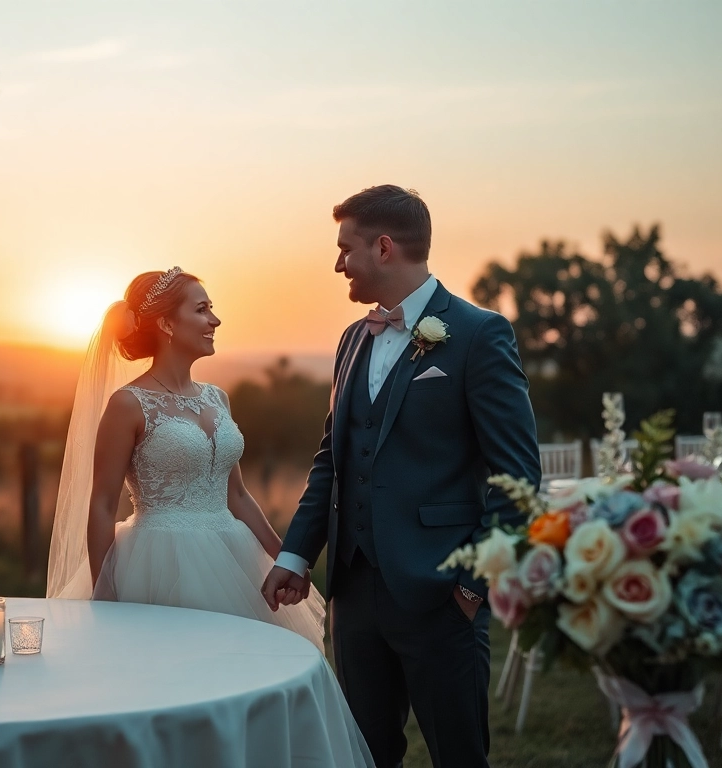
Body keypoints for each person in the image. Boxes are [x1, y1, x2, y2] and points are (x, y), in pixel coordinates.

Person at [261, 185, 541, 768]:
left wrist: (471, 588)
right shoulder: (351, 340)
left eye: (346, 248)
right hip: (354, 595)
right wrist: (296, 555)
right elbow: (332, 460)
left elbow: (518, 477)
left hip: (442, 595)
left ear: (384, 247)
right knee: (364, 756)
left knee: (459, 757)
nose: (338, 264)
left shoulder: (479, 334)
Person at [47, 267, 328, 648]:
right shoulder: (127, 404)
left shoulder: (217, 397)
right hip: (158, 561)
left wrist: (283, 558)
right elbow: (102, 504)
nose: (215, 320)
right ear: (166, 323)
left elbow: (237, 495)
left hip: (233, 555)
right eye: (201, 309)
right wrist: (104, 588)